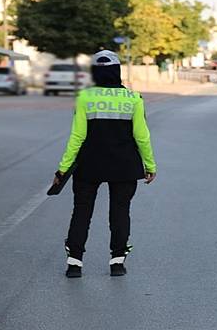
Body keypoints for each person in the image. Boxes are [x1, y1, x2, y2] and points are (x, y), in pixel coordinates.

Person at [53, 50, 157, 278]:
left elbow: (77, 137)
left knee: (82, 211)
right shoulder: (134, 98)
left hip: (89, 166)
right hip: (124, 166)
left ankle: (74, 263)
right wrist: (150, 165)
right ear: (117, 71)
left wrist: (63, 168)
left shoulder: (84, 97)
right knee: (120, 212)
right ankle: (117, 262)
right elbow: (142, 136)